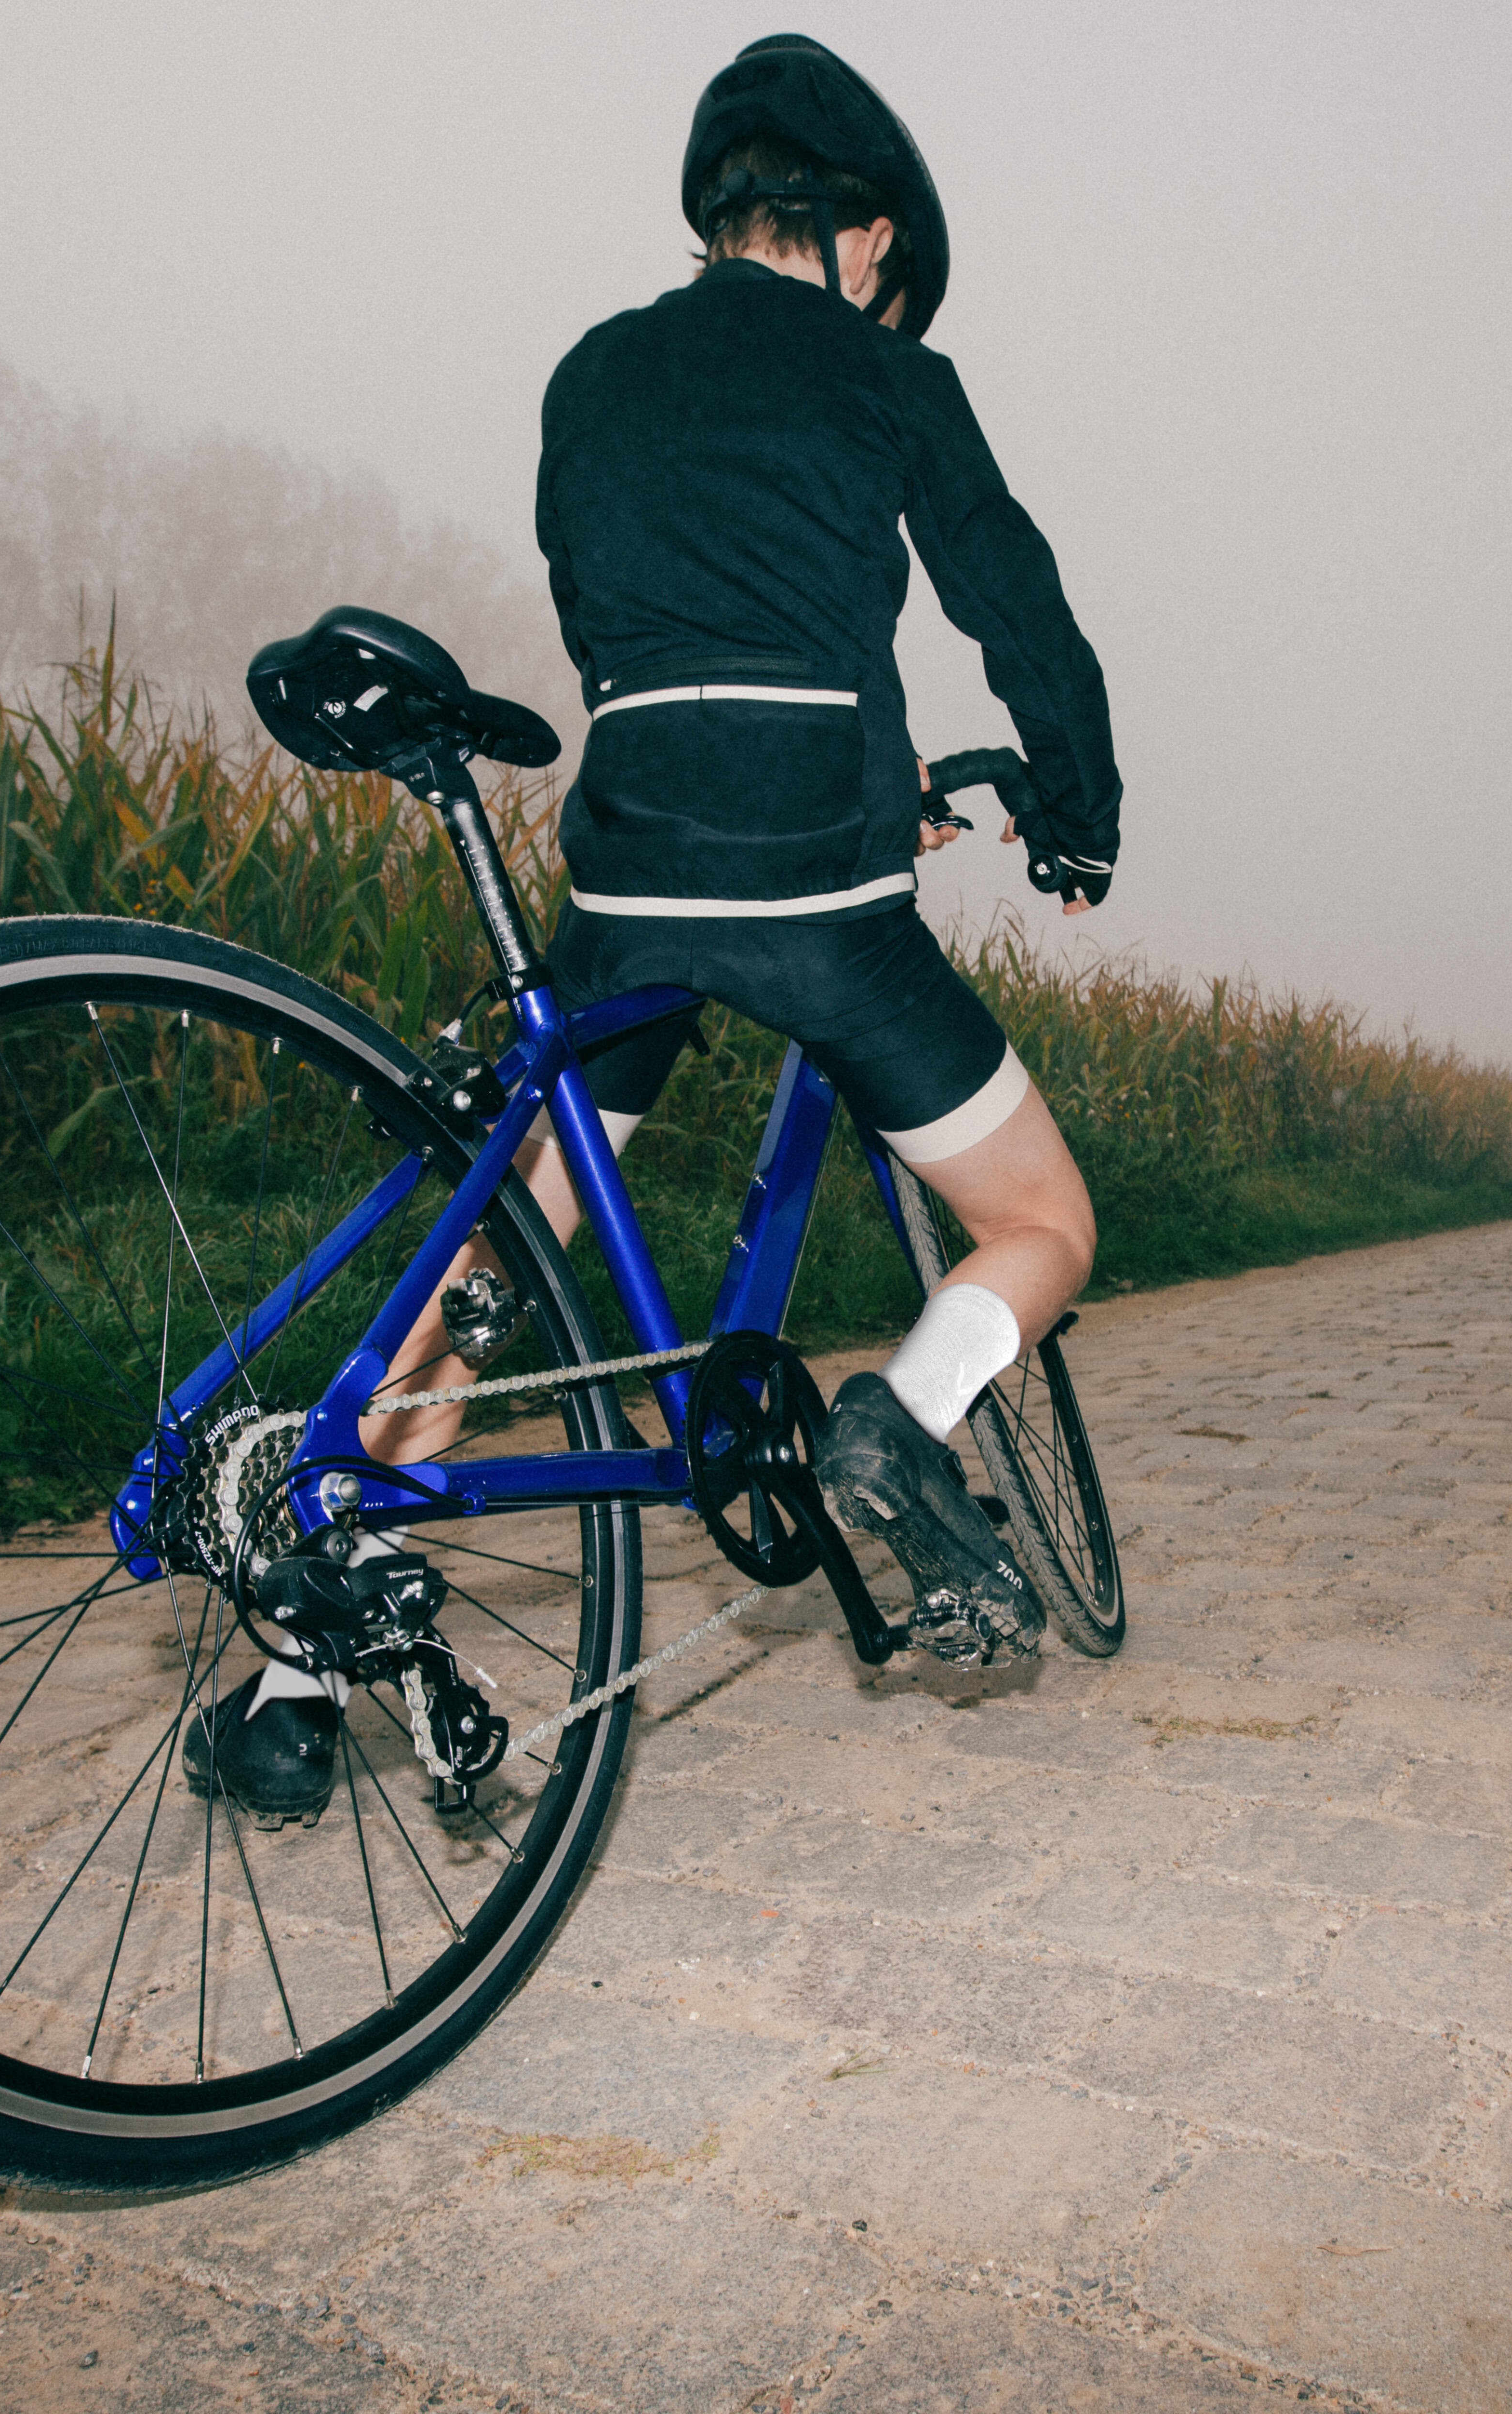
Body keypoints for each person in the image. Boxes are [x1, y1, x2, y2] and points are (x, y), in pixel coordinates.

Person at [194, 33, 1119, 1819]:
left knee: (492, 1276)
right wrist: (1077, 814)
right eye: (893, 277)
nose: (891, 300)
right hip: (823, 893)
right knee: (1039, 1218)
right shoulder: (879, 371)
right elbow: (1019, 604)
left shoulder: (592, 373)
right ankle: (900, 1424)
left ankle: (297, 1677)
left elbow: (643, 619)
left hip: (629, 872)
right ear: (863, 233)